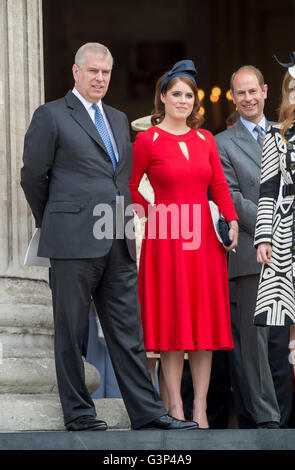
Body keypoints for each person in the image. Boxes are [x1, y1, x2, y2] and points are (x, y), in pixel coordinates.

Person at [20, 42, 199, 432]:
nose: (100, 78)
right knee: (72, 331)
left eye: (106, 72)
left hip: (117, 237)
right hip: (71, 239)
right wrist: (53, 219)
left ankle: (148, 413)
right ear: (76, 72)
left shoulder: (118, 119)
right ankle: (79, 413)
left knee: (128, 332)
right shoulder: (51, 115)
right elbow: (32, 175)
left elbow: (121, 178)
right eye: (93, 71)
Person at [129, 60, 238, 429]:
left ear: (195, 100)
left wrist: (232, 220)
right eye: (176, 93)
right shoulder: (147, 139)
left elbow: (220, 186)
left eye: (188, 95)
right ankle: (174, 407)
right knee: (173, 326)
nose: (183, 100)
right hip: (167, 242)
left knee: (202, 328)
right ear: (163, 97)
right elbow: (129, 186)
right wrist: (152, 215)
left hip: (205, 241)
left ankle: (200, 409)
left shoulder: (206, 139)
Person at [215, 65, 293, 428]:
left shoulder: (286, 136)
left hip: (288, 257)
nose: (247, 98)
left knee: (281, 350)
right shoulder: (222, 142)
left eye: (253, 91)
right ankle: (266, 423)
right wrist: (273, 224)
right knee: (255, 347)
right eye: (240, 93)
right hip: (250, 255)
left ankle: (285, 422)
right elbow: (229, 195)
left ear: (265, 92)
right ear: (234, 97)